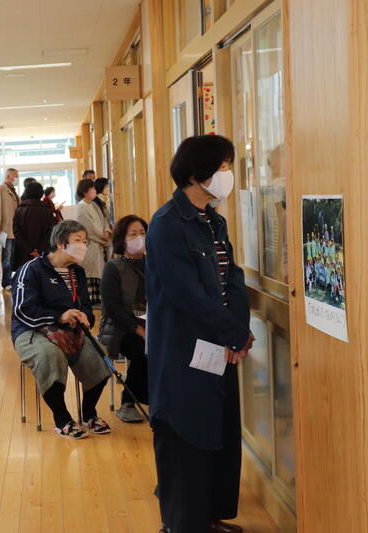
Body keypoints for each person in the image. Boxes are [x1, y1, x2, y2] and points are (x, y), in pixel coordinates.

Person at [146, 135, 255, 533]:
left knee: (218, 432)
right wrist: (232, 332)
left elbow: (233, 279)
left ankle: (208, 517)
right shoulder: (167, 224)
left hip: (220, 345)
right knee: (185, 435)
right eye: (222, 167)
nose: (227, 174)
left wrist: (238, 332)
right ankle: (181, 524)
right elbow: (185, 293)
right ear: (196, 174)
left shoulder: (213, 219)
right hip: (184, 349)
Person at [11, 220, 111, 439]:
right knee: (50, 355)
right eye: (78, 241)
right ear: (59, 242)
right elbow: (23, 310)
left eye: (85, 241)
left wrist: (84, 317)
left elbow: (86, 306)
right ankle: (62, 419)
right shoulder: (31, 269)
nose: (83, 246)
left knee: (99, 354)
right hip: (31, 330)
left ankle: (89, 414)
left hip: (69, 331)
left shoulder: (78, 272)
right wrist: (59, 316)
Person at [98, 215, 150, 424]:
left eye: (143, 233)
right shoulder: (113, 267)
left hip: (151, 324)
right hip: (121, 329)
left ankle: (161, 397)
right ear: (122, 239)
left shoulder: (154, 263)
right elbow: (112, 308)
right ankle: (128, 402)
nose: (139, 238)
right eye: (133, 234)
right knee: (145, 350)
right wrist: (139, 330)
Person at [75, 178, 111, 306]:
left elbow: (104, 220)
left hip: (100, 244)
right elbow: (89, 229)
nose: (94, 191)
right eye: (92, 189)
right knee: (92, 274)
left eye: (94, 188)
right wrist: (103, 237)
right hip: (91, 245)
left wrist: (107, 231)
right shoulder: (81, 207)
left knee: (100, 272)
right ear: (84, 192)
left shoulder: (94, 204)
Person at [12, 182, 56, 271]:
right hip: (43, 253)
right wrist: (39, 250)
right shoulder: (47, 210)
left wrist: (30, 250)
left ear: (26, 192)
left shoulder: (19, 210)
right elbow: (51, 231)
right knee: (42, 275)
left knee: (25, 275)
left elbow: (16, 232)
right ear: (41, 193)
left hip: (23, 253)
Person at [0, 167, 19, 291]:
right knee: (6, 258)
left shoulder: (13, 190)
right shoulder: (0, 189)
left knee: (11, 257)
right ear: (8, 177)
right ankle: (6, 282)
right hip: (4, 230)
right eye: (15, 176)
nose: (17, 179)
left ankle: (10, 280)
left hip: (14, 229)